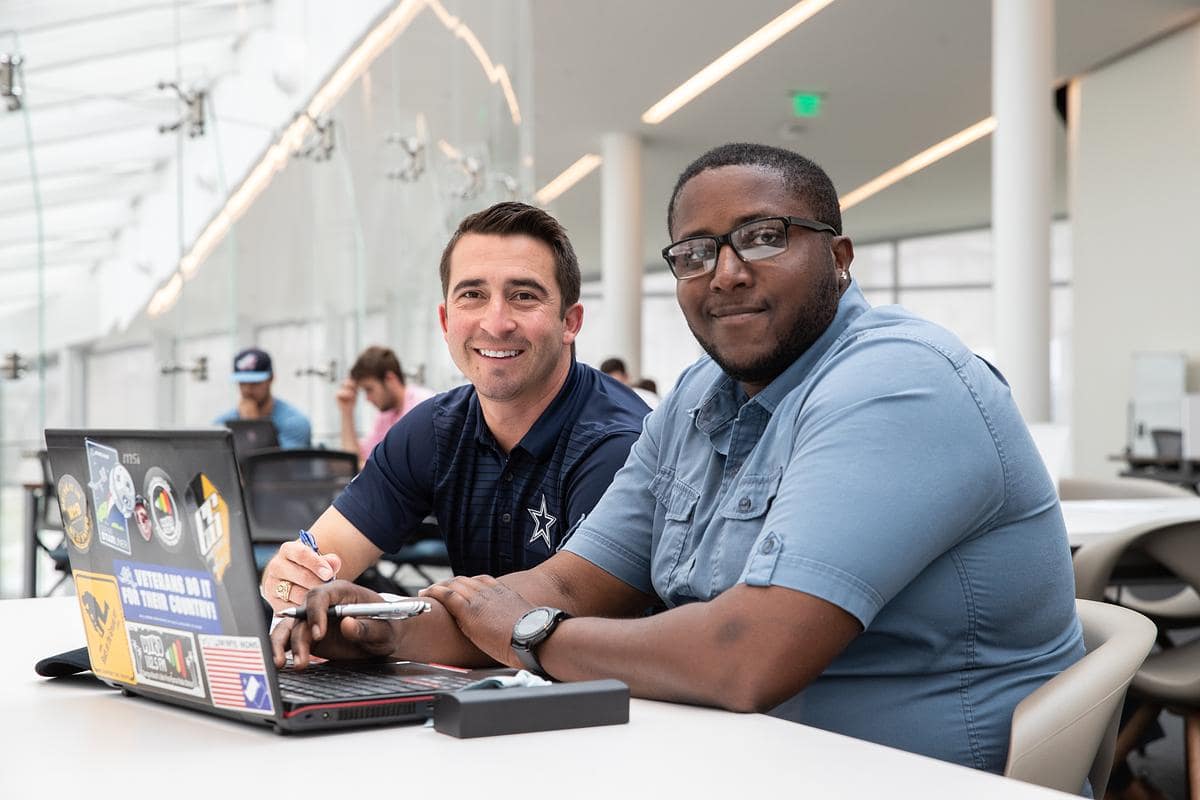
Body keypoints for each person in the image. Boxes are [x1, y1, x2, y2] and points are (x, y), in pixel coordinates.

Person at [273, 144, 1084, 778]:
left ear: (839, 257)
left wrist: (521, 629)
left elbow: (744, 657)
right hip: (728, 759)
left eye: (765, 238)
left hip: (901, 775)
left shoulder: (901, 384)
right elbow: (565, 584)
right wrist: (383, 629)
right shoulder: (701, 395)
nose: (726, 273)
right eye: (695, 252)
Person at [261, 201, 650, 608]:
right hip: (482, 670)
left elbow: (562, 617)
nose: (496, 323)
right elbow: (320, 560)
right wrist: (288, 579)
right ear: (446, 323)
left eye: (523, 295)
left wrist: (380, 624)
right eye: (473, 295)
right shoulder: (433, 429)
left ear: (569, 323)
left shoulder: (618, 446)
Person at [336, 346, 435, 467]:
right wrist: (346, 412)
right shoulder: (386, 415)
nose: (367, 398)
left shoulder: (422, 406)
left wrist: (363, 467)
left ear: (389, 379)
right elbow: (353, 462)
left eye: (369, 389)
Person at [214, 348, 311, 449]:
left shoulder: (294, 422)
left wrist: (254, 426)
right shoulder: (222, 425)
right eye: (242, 383)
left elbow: (284, 463)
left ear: (271, 378)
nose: (247, 389)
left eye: (255, 382)